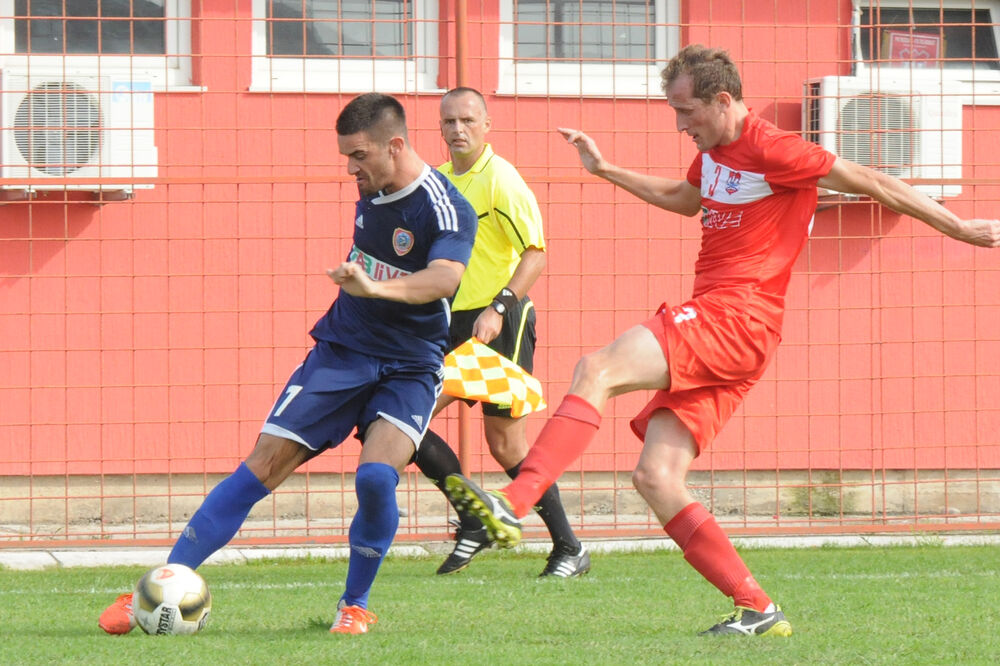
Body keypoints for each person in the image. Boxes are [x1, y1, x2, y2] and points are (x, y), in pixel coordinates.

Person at [445, 44, 1000, 637]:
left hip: (737, 317)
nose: (680, 125)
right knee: (656, 477)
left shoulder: (772, 146)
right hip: (732, 329)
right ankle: (758, 608)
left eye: (686, 112)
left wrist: (959, 226)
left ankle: (516, 501)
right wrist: (606, 170)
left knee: (597, 368)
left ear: (723, 100)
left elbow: (870, 179)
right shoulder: (712, 156)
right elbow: (682, 200)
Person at [99, 92, 478, 636]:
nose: (351, 168)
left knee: (376, 477)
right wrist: (362, 287)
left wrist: (374, 285)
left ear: (396, 145)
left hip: (411, 364)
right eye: (346, 155)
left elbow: (445, 279)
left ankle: (355, 604)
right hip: (344, 349)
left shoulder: (443, 205)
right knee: (264, 463)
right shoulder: (371, 188)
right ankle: (156, 587)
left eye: (360, 156)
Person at [412, 87, 588, 577]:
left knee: (506, 445)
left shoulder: (502, 180)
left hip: (499, 323)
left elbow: (536, 251)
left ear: (487, 125)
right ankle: (473, 517)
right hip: (448, 322)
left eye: (468, 120)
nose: (457, 129)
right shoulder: (440, 183)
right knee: (404, 422)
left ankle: (569, 548)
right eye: (449, 121)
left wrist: (499, 306)